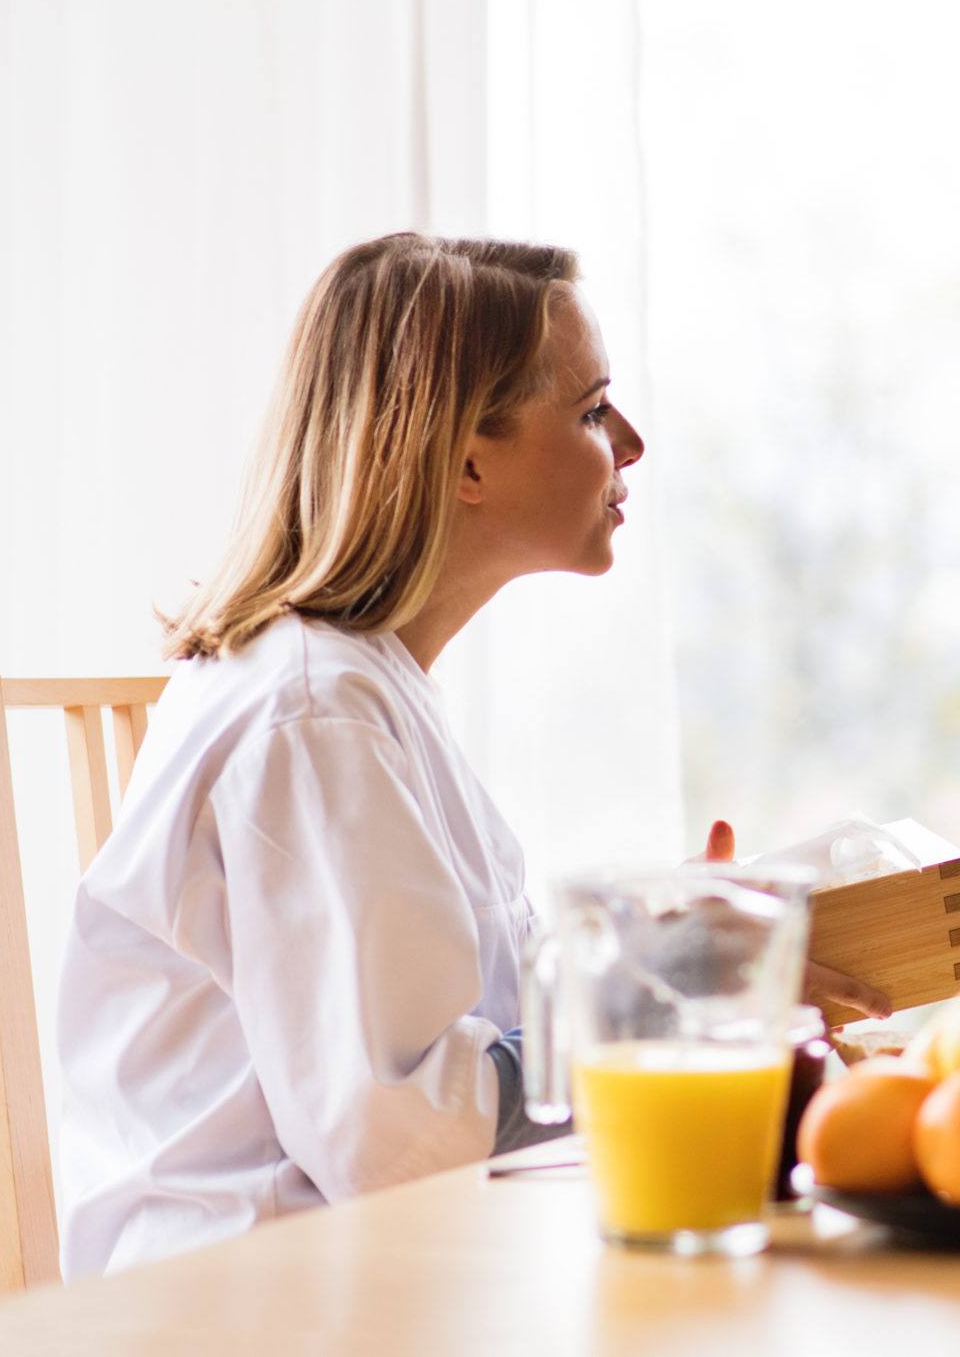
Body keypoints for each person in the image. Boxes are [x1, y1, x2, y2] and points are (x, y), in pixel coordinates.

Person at [55, 235, 885, 1278]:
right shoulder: (317, 714)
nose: (629, 443)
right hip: (262, 1301)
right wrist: (663, 993)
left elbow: (458, 1047)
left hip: (376, 1272)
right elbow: (398, 1132)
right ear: (464, 460)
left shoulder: (364, 688)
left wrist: (658, 954)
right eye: (589, 410)